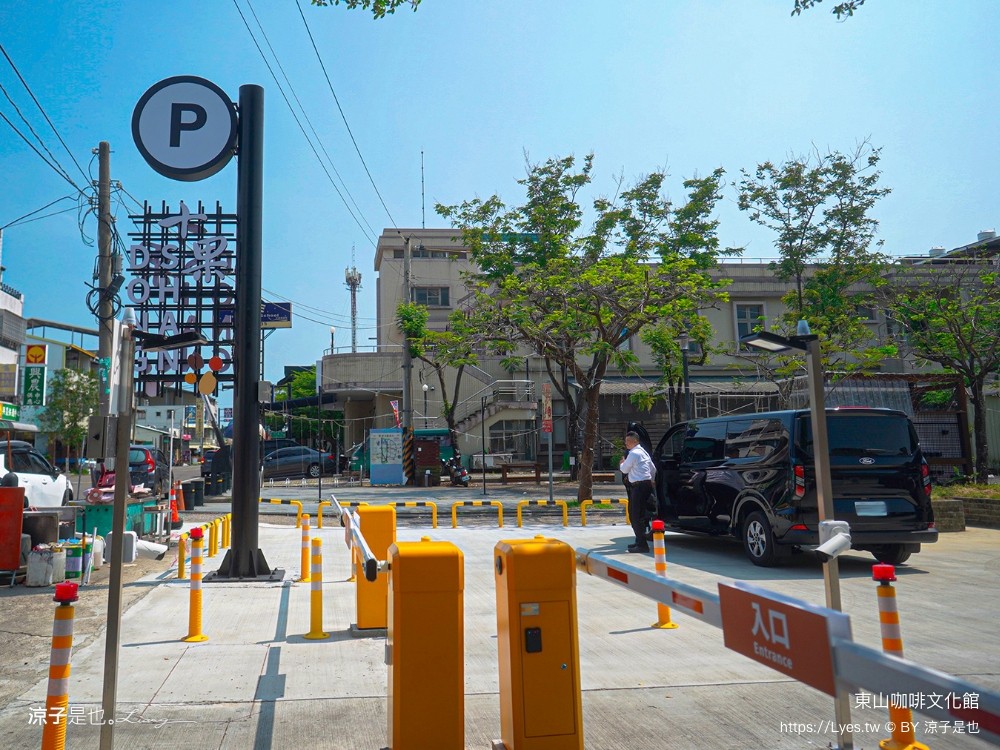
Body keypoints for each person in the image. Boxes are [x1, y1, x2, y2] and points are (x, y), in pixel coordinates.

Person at [619, 431, 656, 553]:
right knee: (640, 514)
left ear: (635, 441)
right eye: (626, 441)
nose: (626, 444)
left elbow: (624, 469)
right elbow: (653, 469)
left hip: (638, 486)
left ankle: (642, 544)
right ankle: (639, 540)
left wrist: (622, 463)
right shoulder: (644, 452)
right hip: (646, 485)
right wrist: (652, 480)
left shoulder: (633, 453)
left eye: (628, 441)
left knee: (635, 515)